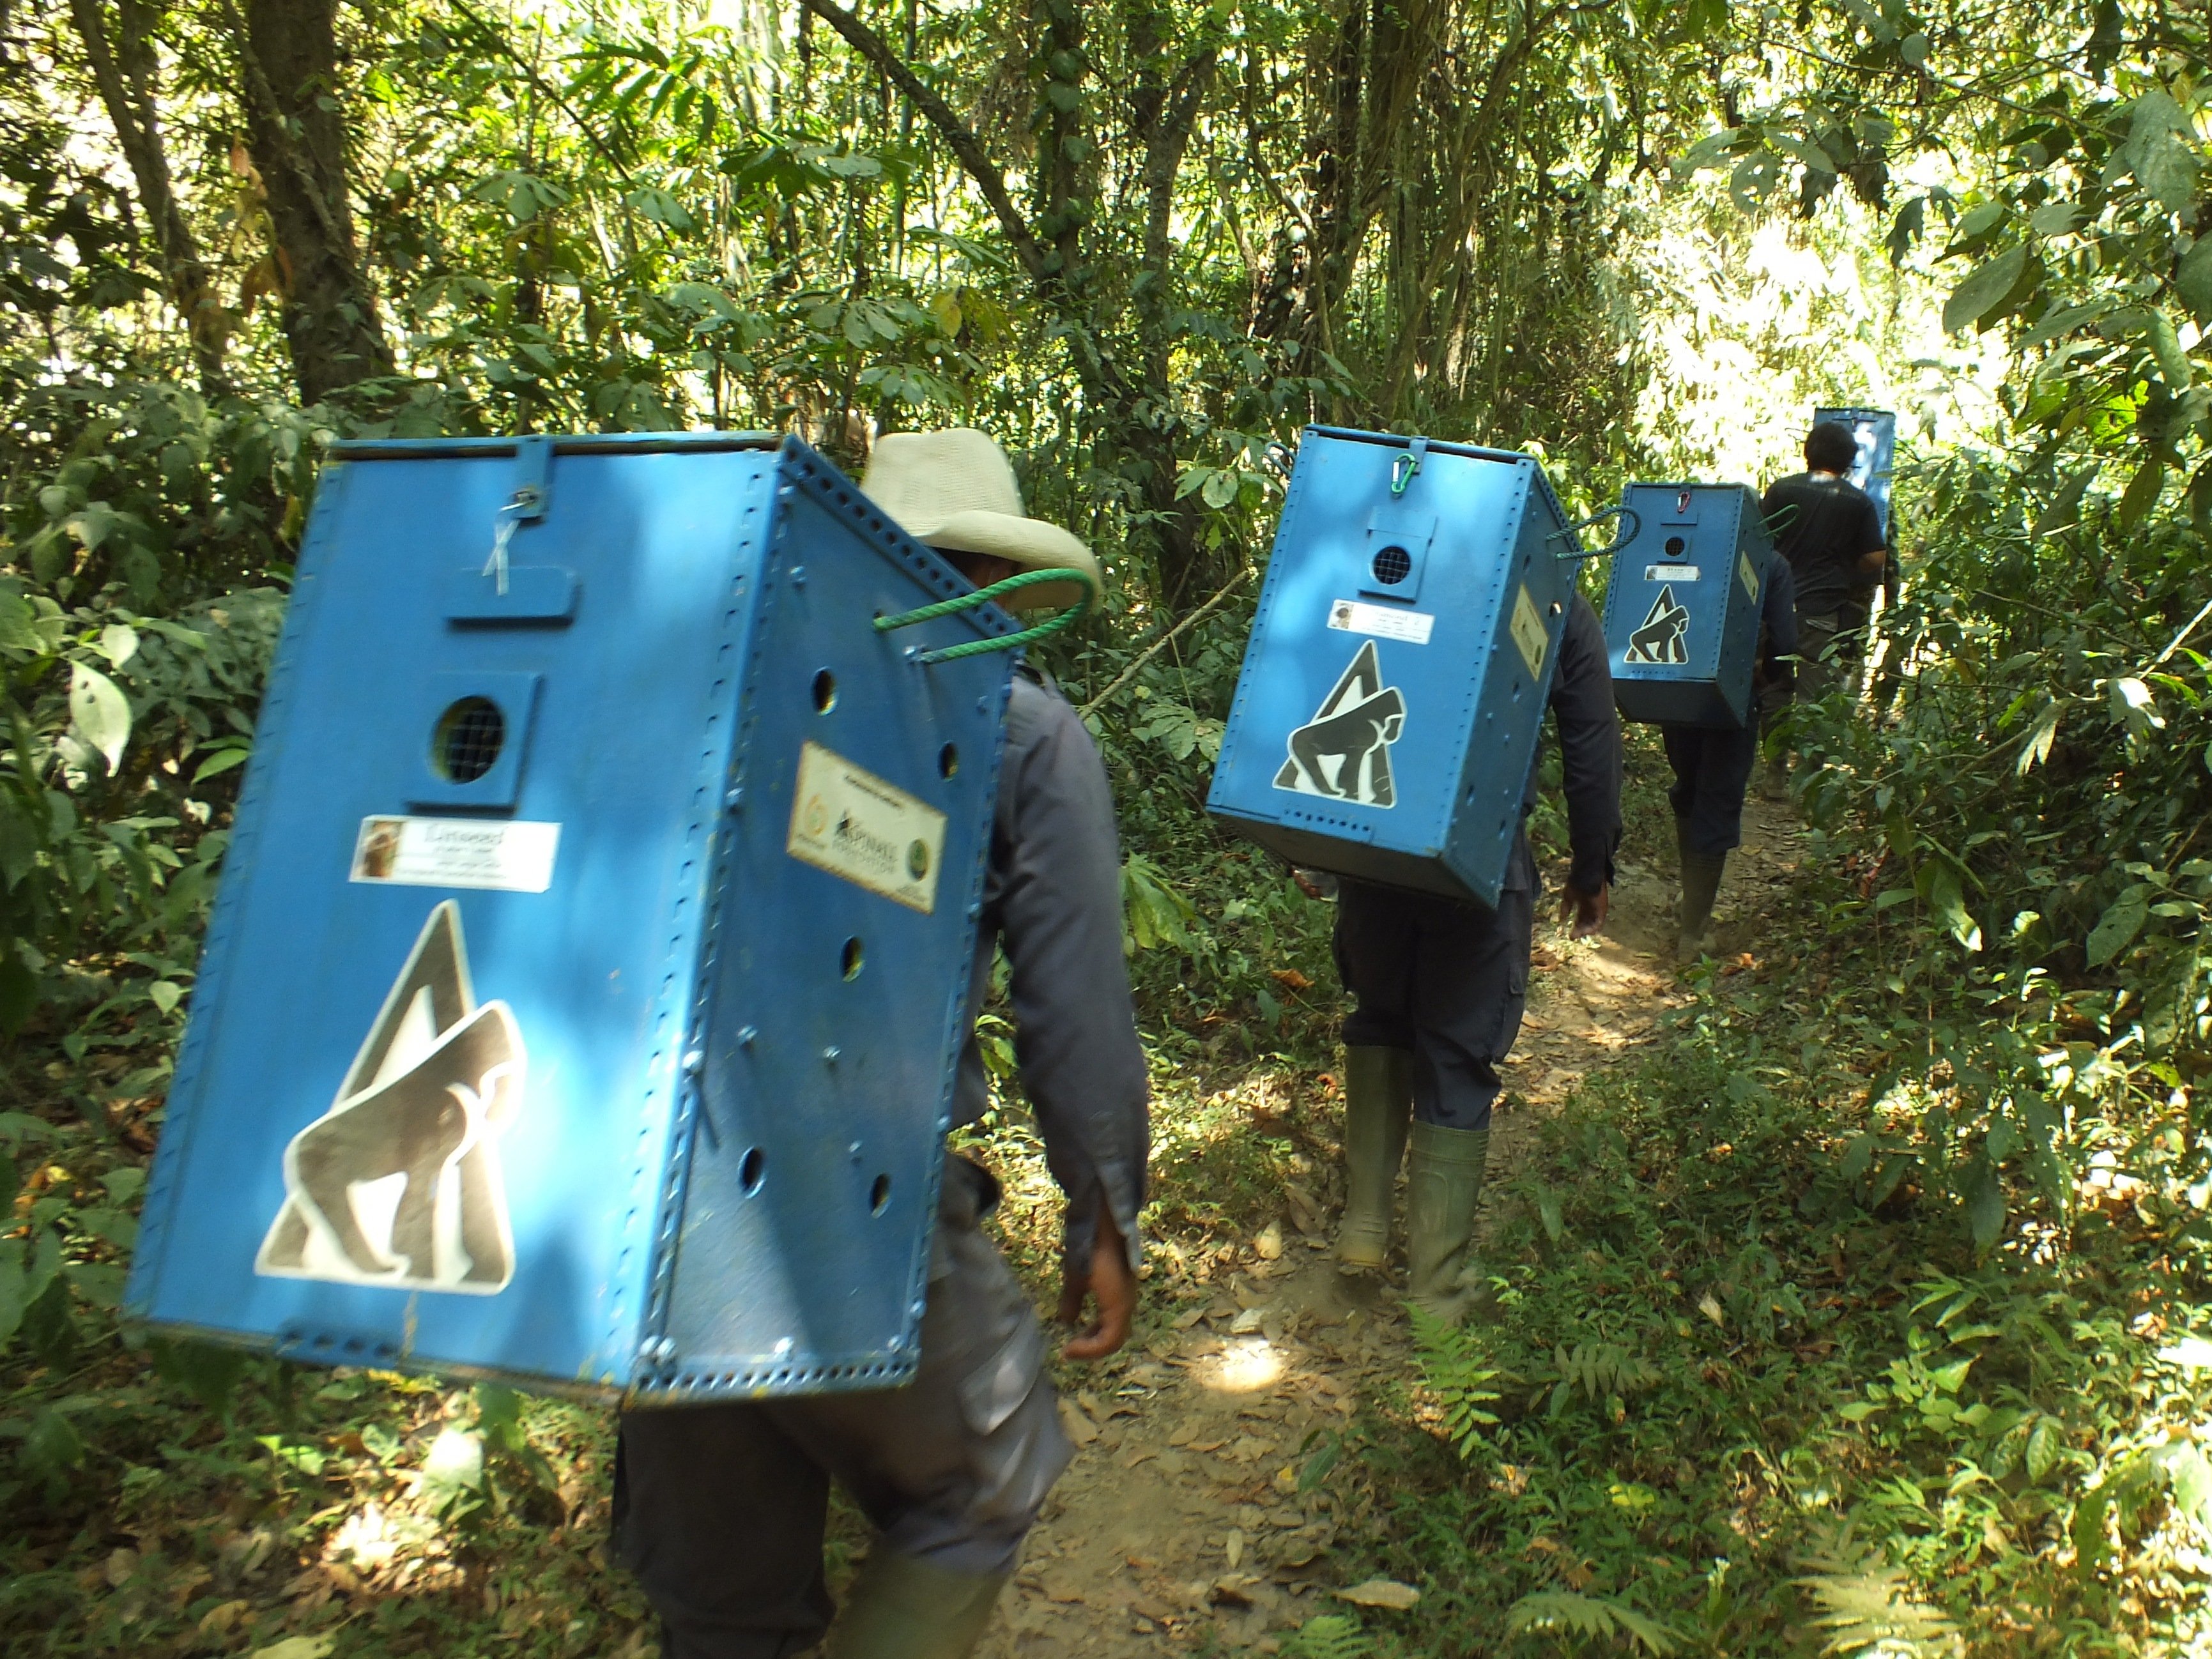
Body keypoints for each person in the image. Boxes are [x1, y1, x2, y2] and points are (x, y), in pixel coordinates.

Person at [614, 429, 1149, 1659]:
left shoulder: (724, 677)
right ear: (1003, 590)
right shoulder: (1026, 730)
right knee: (992, 1467)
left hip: (653, 1184)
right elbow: (1071, 1007)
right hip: (855, 1197)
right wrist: (1103, 1216)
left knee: (724, 1603)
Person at [1331, 590, 1620, 1323]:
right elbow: (1590, 740)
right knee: (1457, 1053)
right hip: (1480, 862)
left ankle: (1363, 1234)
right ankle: (1436, 1289)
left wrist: (1318, 846)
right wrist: (1592, 866)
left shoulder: (1391, 566)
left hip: (1373, 846)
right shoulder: (1552, 597)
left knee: (1380, 1017)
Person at [1663, 551, 1797, 962]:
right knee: (1717, 799)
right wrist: (1764, 680)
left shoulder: (1685, 551)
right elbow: (1787, 644)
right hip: (1733, 696)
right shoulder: (1770, 564)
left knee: (1688, 788)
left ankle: (1691, 910)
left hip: (1677, 688)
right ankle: (1693, 929)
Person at [1758, 420, 1889, 792]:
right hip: (1822, 611)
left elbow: (1757, 543)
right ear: (1849, 460)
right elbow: (1876, 558)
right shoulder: (1857, 502)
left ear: (1809, 451)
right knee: (1816, 693)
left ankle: (1775, 774)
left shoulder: (1782, 490)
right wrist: (1844, 566)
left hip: (1775, 609)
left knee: (1776, 689)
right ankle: (1812, 781)